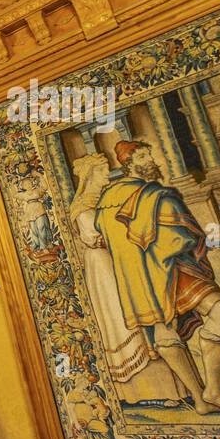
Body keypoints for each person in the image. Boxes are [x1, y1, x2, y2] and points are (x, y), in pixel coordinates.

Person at [91, 140, 220, 417]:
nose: (152, 159)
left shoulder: (107, 201)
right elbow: (180, 237)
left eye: (150, 153)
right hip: (168, 271)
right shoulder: (156, 196)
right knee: (212, 316)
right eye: (144, 155)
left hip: (140, 281)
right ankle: (204, 396)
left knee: (191, 324)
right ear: (128, 163)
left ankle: (209, 392)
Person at [69, 153, 181, 406]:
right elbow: (94, 238)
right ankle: (139, 388)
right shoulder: (82, 207)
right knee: (121, 318)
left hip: (118, 261)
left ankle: (165, 385)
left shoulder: (105, 200)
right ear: (90, 176)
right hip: (103, 266)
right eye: (102, 171)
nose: (107, 176)